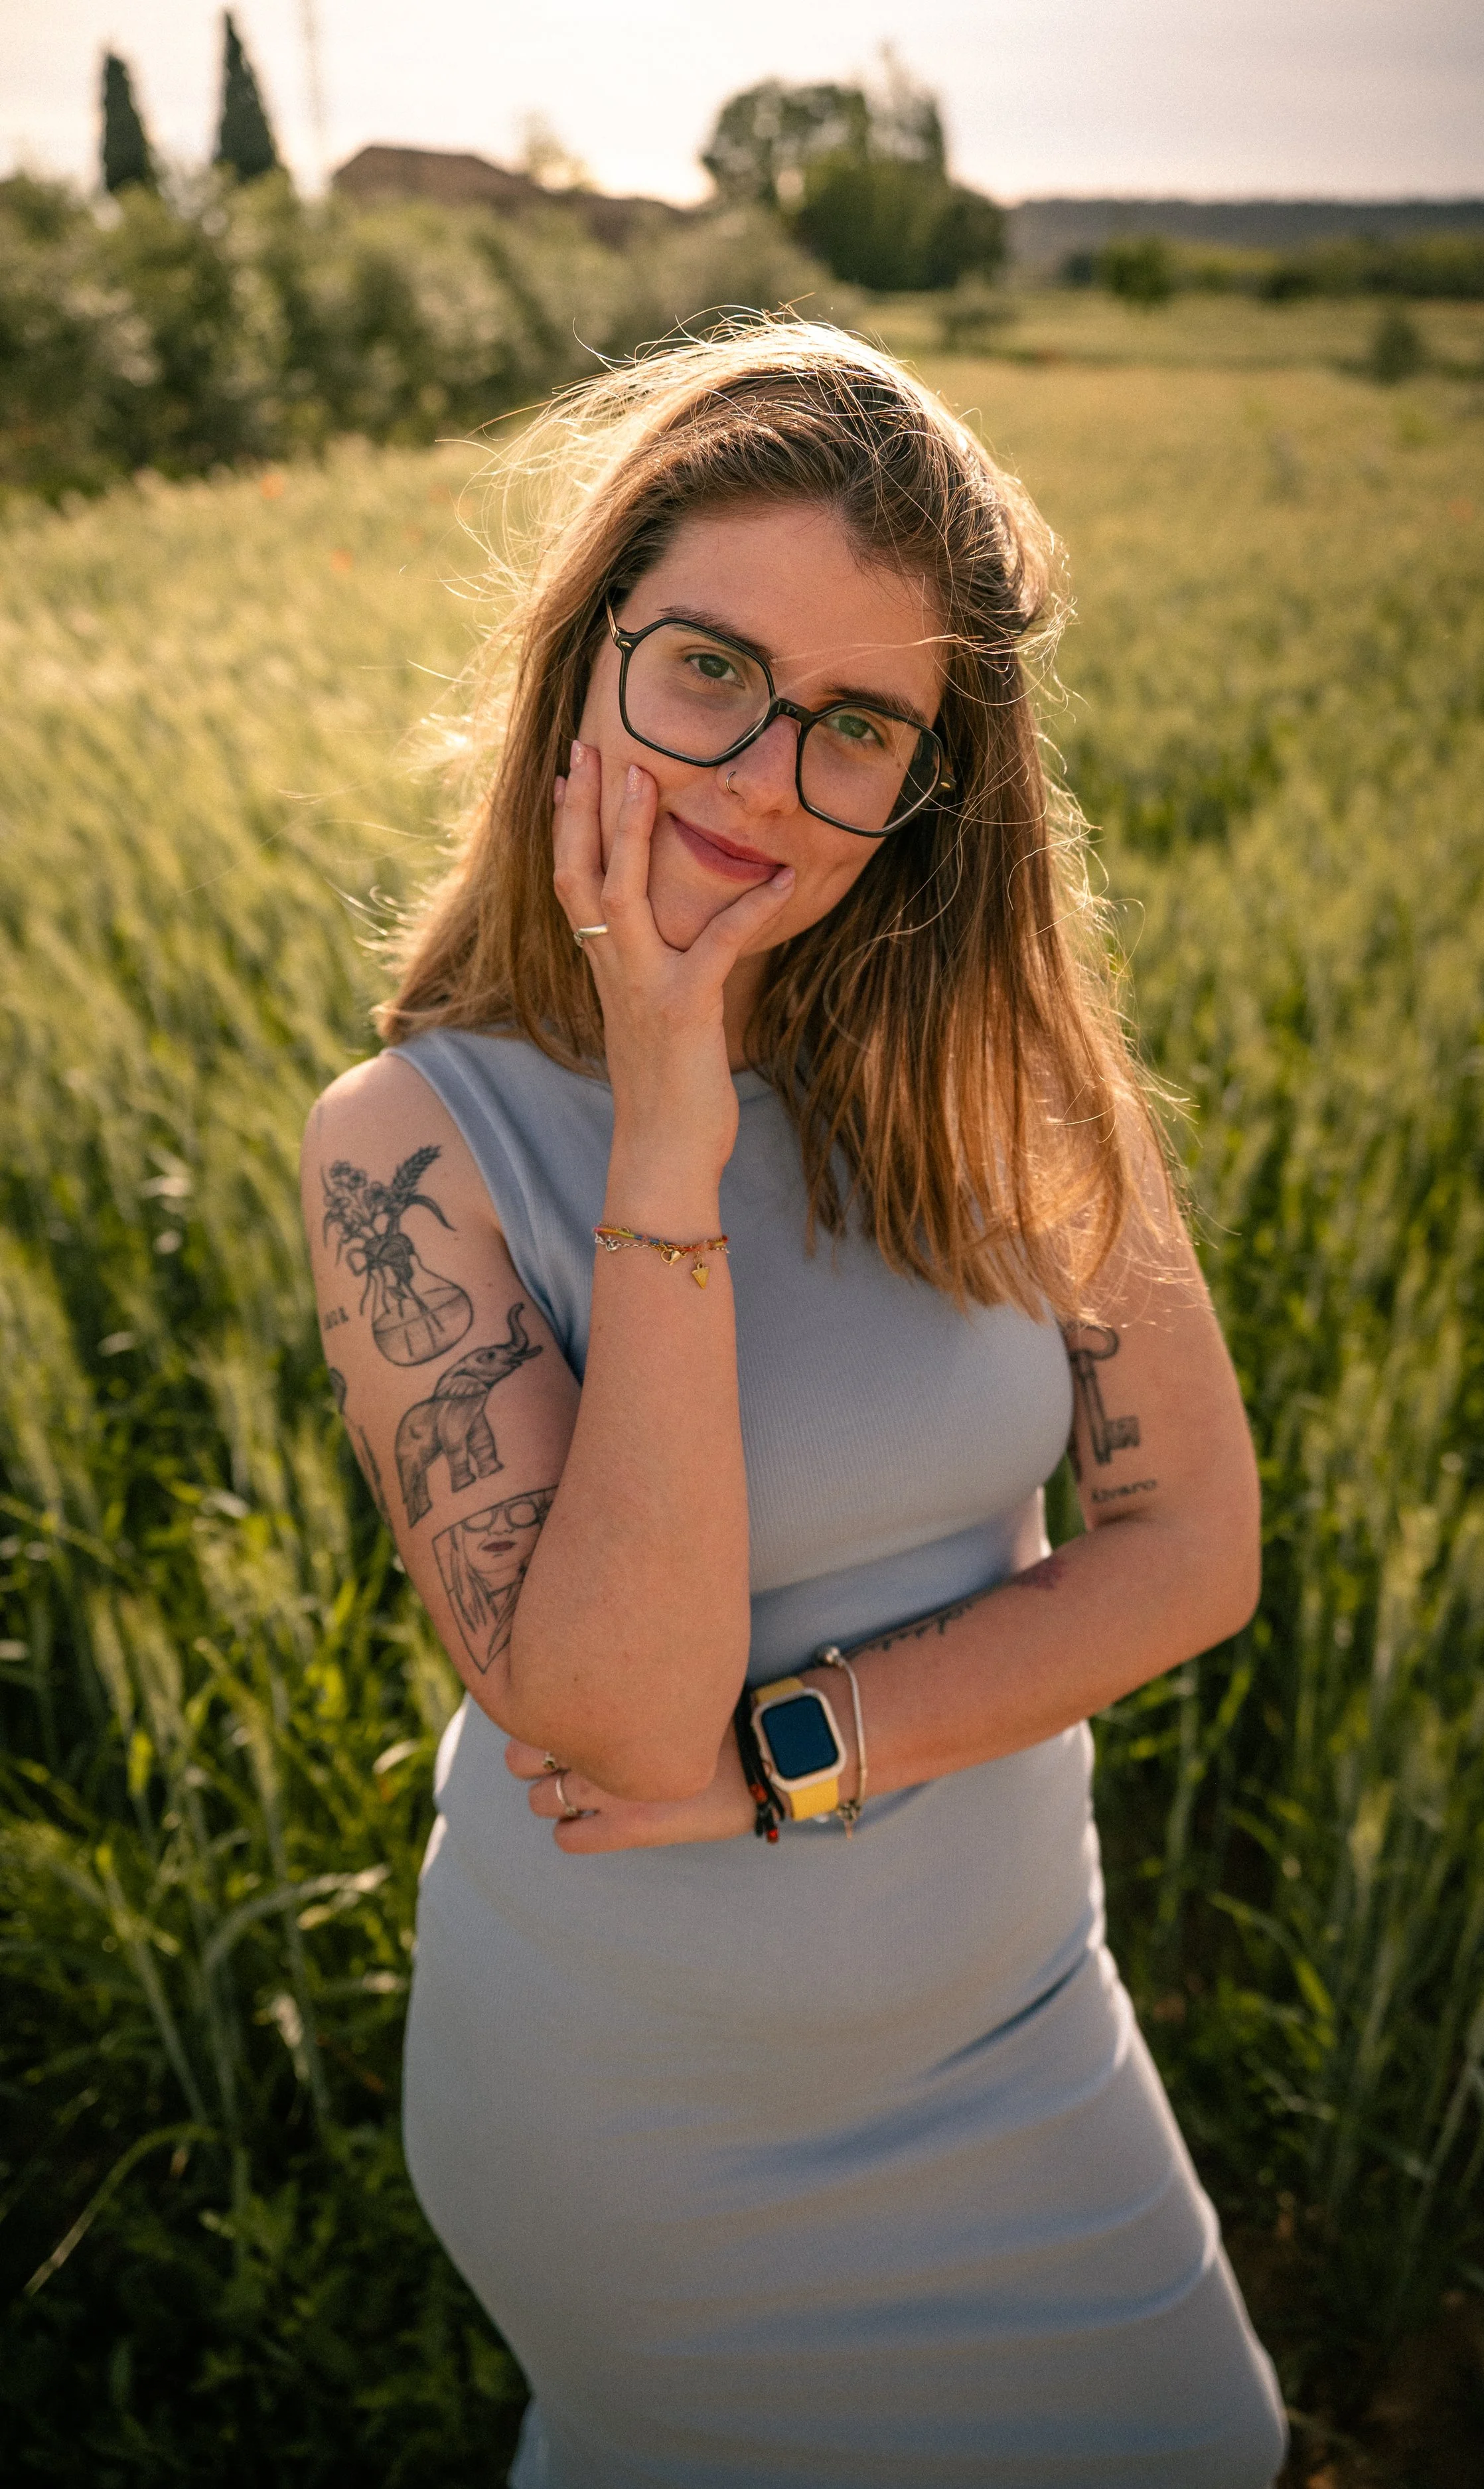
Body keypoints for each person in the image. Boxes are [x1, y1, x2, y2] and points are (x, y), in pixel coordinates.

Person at [303, 323, 1288, 2488]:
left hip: (1023, 2036)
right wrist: (668, 1125)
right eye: (709, 672)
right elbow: (616, 1725)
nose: (761, 778)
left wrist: (802, 1758)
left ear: (938, 783)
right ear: (589, 658)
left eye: (857, 727)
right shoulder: (410, 1145)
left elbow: (1191, 1551)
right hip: (647, 2131)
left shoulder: (1005, 1084)